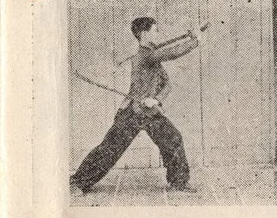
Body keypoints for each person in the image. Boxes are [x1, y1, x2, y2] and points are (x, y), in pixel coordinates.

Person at [70, 16, 207, 193]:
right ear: (144, 33)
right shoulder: (145, 55)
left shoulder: (152, 56)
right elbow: (171, 53)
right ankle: (77, 182)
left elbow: (167, 84)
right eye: (154, 30)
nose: (157, 33)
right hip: (132, 112)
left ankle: (178, 182)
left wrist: (156, 99)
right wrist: (195, 40)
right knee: (110, 149)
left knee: (173, 139)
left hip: (149, 112)